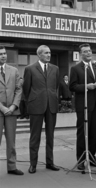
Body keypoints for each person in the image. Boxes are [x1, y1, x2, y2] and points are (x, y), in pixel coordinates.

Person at [23, 45, 60, 174]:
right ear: (39, 55)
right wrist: (31, 102)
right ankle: (33, 164)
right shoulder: (30, 69)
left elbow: (55, 87)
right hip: (36, 106)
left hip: (51, 106)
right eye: (46, 53)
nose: (49, 55)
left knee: (50, 136)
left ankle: (50, 162)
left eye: (50, 53)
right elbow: (26, 89)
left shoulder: (55, 69)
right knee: (35, 137)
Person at [69, 43, 96, 170]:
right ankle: (81, 159)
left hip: (95, 104)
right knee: (83, 132)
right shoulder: (76, 68)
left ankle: (92, 157)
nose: (88, 53)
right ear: (80, 54)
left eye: (89, 51)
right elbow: (72, 86)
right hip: (83, 105)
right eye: (85, 51)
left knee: (93, 132)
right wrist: (86, 86)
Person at [0, 46, 23, 175]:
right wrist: (3, 108)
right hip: (1, 110)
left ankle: (12, 167)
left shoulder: (14, 70)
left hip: (11, 111)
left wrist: (13, 106)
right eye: (0, 54)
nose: (3, 56)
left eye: (4, 54)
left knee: (11, 141)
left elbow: (18, 90)